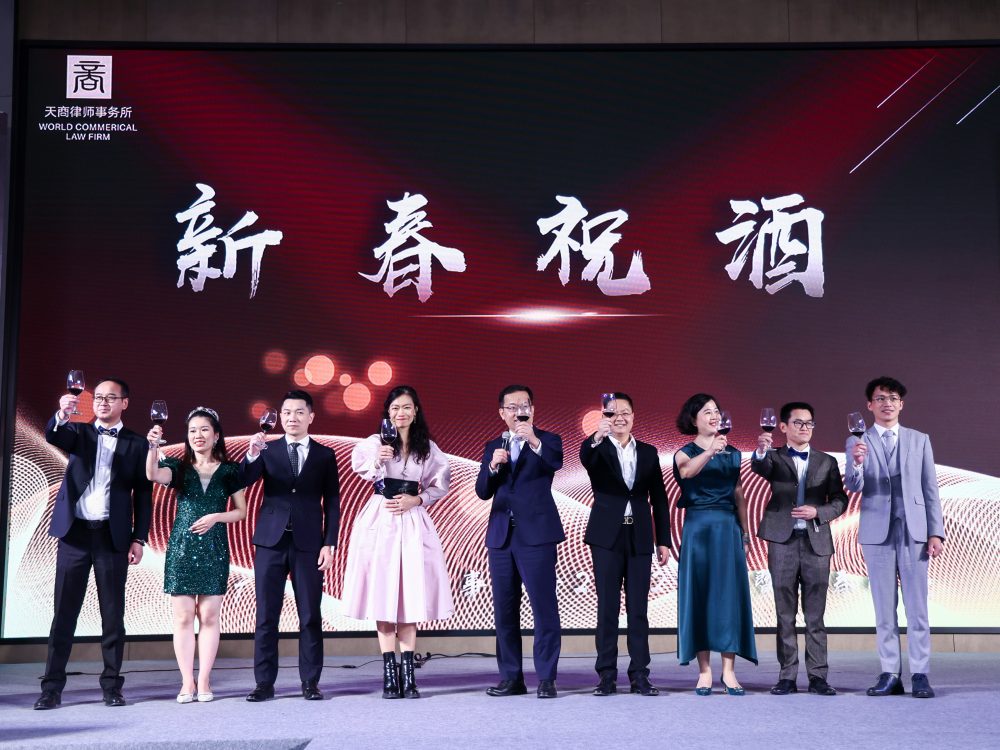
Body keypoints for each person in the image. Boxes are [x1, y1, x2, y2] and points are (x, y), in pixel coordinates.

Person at [34, 378, 152, 710]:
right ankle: (51, 688)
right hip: (74, 535)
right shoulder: (78, 432)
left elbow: (143, 495)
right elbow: (54, 434)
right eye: (98, 397)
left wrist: (139, 538)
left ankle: (112, 685)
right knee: (64, 614)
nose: (102, 402)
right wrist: (62, 413)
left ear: (124, 403)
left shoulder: (137, 444)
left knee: (112, 616)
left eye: (110, 397)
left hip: (112, 538)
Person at [341, 385, 453, 699]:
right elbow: (363, 470)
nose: (400, 413)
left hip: (412, 520)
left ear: (415, 411)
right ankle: (389, 673)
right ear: (387, 413)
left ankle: (408, 673)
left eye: (406, 407)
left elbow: (440, 484)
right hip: (381, 518)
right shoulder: (374, 442)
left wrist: (417, 500)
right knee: (383, 594)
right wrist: (378, 460)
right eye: (394, 408)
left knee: (409, 597)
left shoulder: (427, 447)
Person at [846, 376, 945, 698]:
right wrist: (857, 464)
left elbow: (930, 489)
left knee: (917, 608)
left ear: (901, 404)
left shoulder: (919, 439)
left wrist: (935, 532)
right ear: (869, 405)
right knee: (883, 608)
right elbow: (853, 485)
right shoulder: (857, 440)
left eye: (892, 398)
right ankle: (890, 673)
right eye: (880, 398)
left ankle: (920, 673)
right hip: (877, 531)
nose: (886, 403)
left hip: (914, 531)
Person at [242, 390, 340, 702]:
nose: (291, 418)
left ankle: (310, 682)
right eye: (286, 412)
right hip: (270, 542)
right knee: (266, 616)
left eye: (299, 412)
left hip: (309, 544)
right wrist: (251, 455)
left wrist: (330, 543)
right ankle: (264, 683)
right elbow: (243, 480)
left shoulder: (325, 455)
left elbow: (333, 503)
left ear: (311, 416)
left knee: (310, 614)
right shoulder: (266, 450)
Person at [146, 408, 247, 703]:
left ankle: (204, 680)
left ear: (216, 436)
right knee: (183, 617)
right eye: (192, 430)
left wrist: (217, 517)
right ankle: (186, 682)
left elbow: (241, 511)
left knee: (210, 616)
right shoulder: (178, 468)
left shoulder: (230, 470)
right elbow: (152, 474)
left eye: (204, 430)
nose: (197, 435)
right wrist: (153, 447)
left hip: (214, 548)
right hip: (182, 548)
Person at [751, 402, 847, 696]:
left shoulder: (827, 461)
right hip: (783, 541)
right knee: (785, 614)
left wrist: (818, 512)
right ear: (783, 427)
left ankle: (818, 677)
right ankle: (787, 676)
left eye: (809, 423)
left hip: (817, 542)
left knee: (815, 616)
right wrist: (761, 451)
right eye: (798, 423)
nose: (805, 428)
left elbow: (840, 500)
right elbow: (760, 467)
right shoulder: (774, 457)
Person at [475, 385, 564, 699]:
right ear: (502, 413)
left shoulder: (548, 440)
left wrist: (534, 440)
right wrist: (492, 466)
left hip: (537, 536)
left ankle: (546, 678)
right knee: (504, 611)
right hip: (501, 538)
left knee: (543, 607)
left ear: (532, 409)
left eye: (524, 406)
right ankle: (511, 678)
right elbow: (483, 491)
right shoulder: (493, 445)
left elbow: (555, 463)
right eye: (511, 407)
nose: (518, 412)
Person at [580, 392, 671, 697]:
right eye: (612, 413)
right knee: (607, 607)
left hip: (640, 535)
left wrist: (663, 540)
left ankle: (640, 675)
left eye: (625, 412)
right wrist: (597, 436)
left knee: (638, 608)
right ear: (604, 416)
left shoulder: (648, 451)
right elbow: (586, 458)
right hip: (606, 536)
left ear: (633, 416)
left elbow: (659, 498)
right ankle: (606, 675)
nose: (619, 418)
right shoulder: (597, 448)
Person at [672, 393, 757, 695]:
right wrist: (710, 452)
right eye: (707, 412)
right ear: (693, 419)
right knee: (700, 594)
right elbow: (686, 473)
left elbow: (739, 494)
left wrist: (745, 533)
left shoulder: (733, 453)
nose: (714, 416)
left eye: (717, 411)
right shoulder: (684, 452)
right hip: (698, 529)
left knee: (727, 597)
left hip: (727, 528)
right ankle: (705, 671)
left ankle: (729, 671)